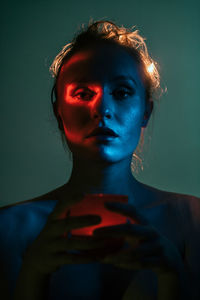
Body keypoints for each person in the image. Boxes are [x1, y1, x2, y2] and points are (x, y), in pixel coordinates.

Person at [0, 19, 199, 300]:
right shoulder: (9, 228)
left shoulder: (191, 220)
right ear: (59, 113)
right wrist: (33, 276)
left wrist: (173, 277)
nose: (102, 109)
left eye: (122, 92)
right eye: (83, 93)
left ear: (146, 112)